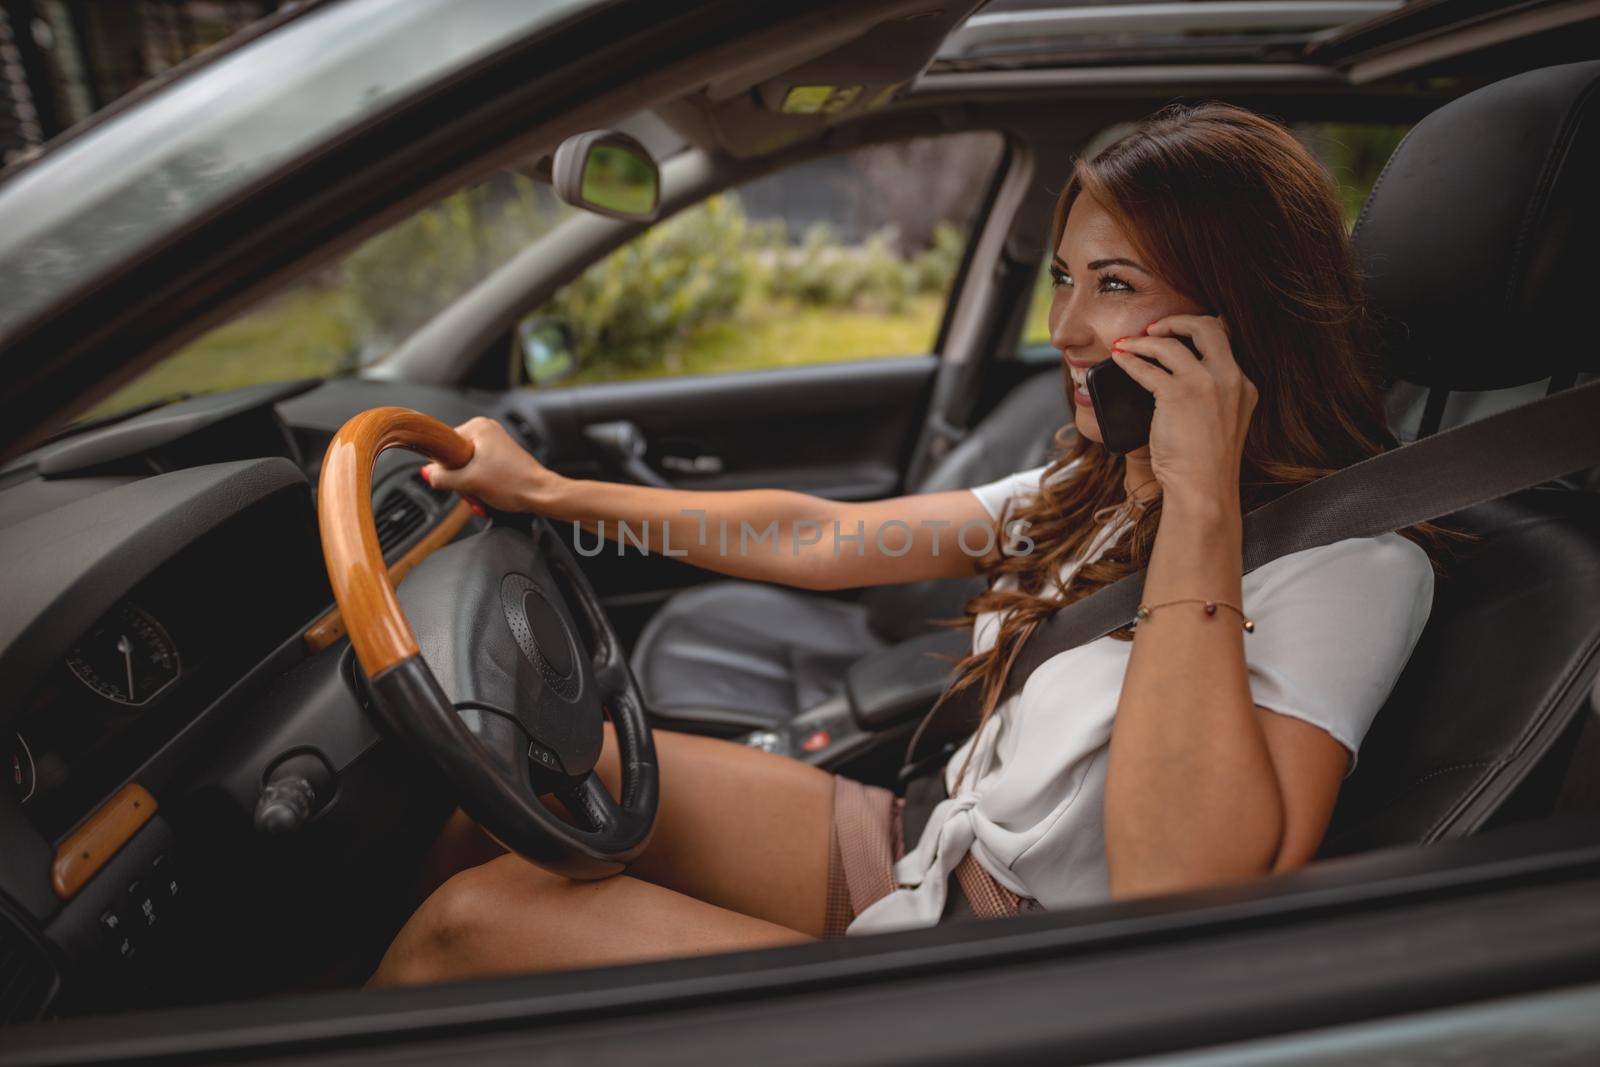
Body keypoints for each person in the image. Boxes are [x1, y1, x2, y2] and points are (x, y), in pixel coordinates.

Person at [368, 103, 1445, 987]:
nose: (1065, 329)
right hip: (929, 851)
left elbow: (1183, 890)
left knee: (477, 921)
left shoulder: (1355, 567)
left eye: (1114, 285)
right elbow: (824, 537)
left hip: (1026, 978)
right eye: (1065, 278)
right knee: (528, 783)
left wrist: (1202, 506)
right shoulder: (1101, 480)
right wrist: (550, 491)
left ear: (1238, 317)